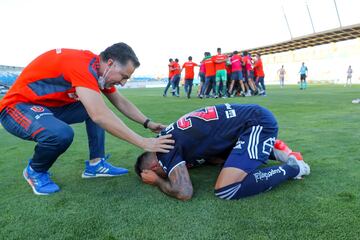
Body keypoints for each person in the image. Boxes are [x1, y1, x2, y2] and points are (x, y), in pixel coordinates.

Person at [0, 43, 174, 195]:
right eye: (124, 77)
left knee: (91, 104)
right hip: (15, 108)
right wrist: (143, 142)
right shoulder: (81, 65)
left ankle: (95, 164)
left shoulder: (99, 70)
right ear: (111, 64)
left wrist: (148, 123)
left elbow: (120, 101)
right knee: (61, 134)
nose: (123, 83)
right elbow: (99, 115)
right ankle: (35, 171)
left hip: (49, 107)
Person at [135, 103, 310, 200]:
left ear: (153, 166)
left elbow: (184, 192)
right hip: (244, 123)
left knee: (226, 189)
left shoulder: (163, 151)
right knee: (216, 159)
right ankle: (271, 148)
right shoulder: (167, 137)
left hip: (256, 124)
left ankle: (293, 168)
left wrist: (157, 181)